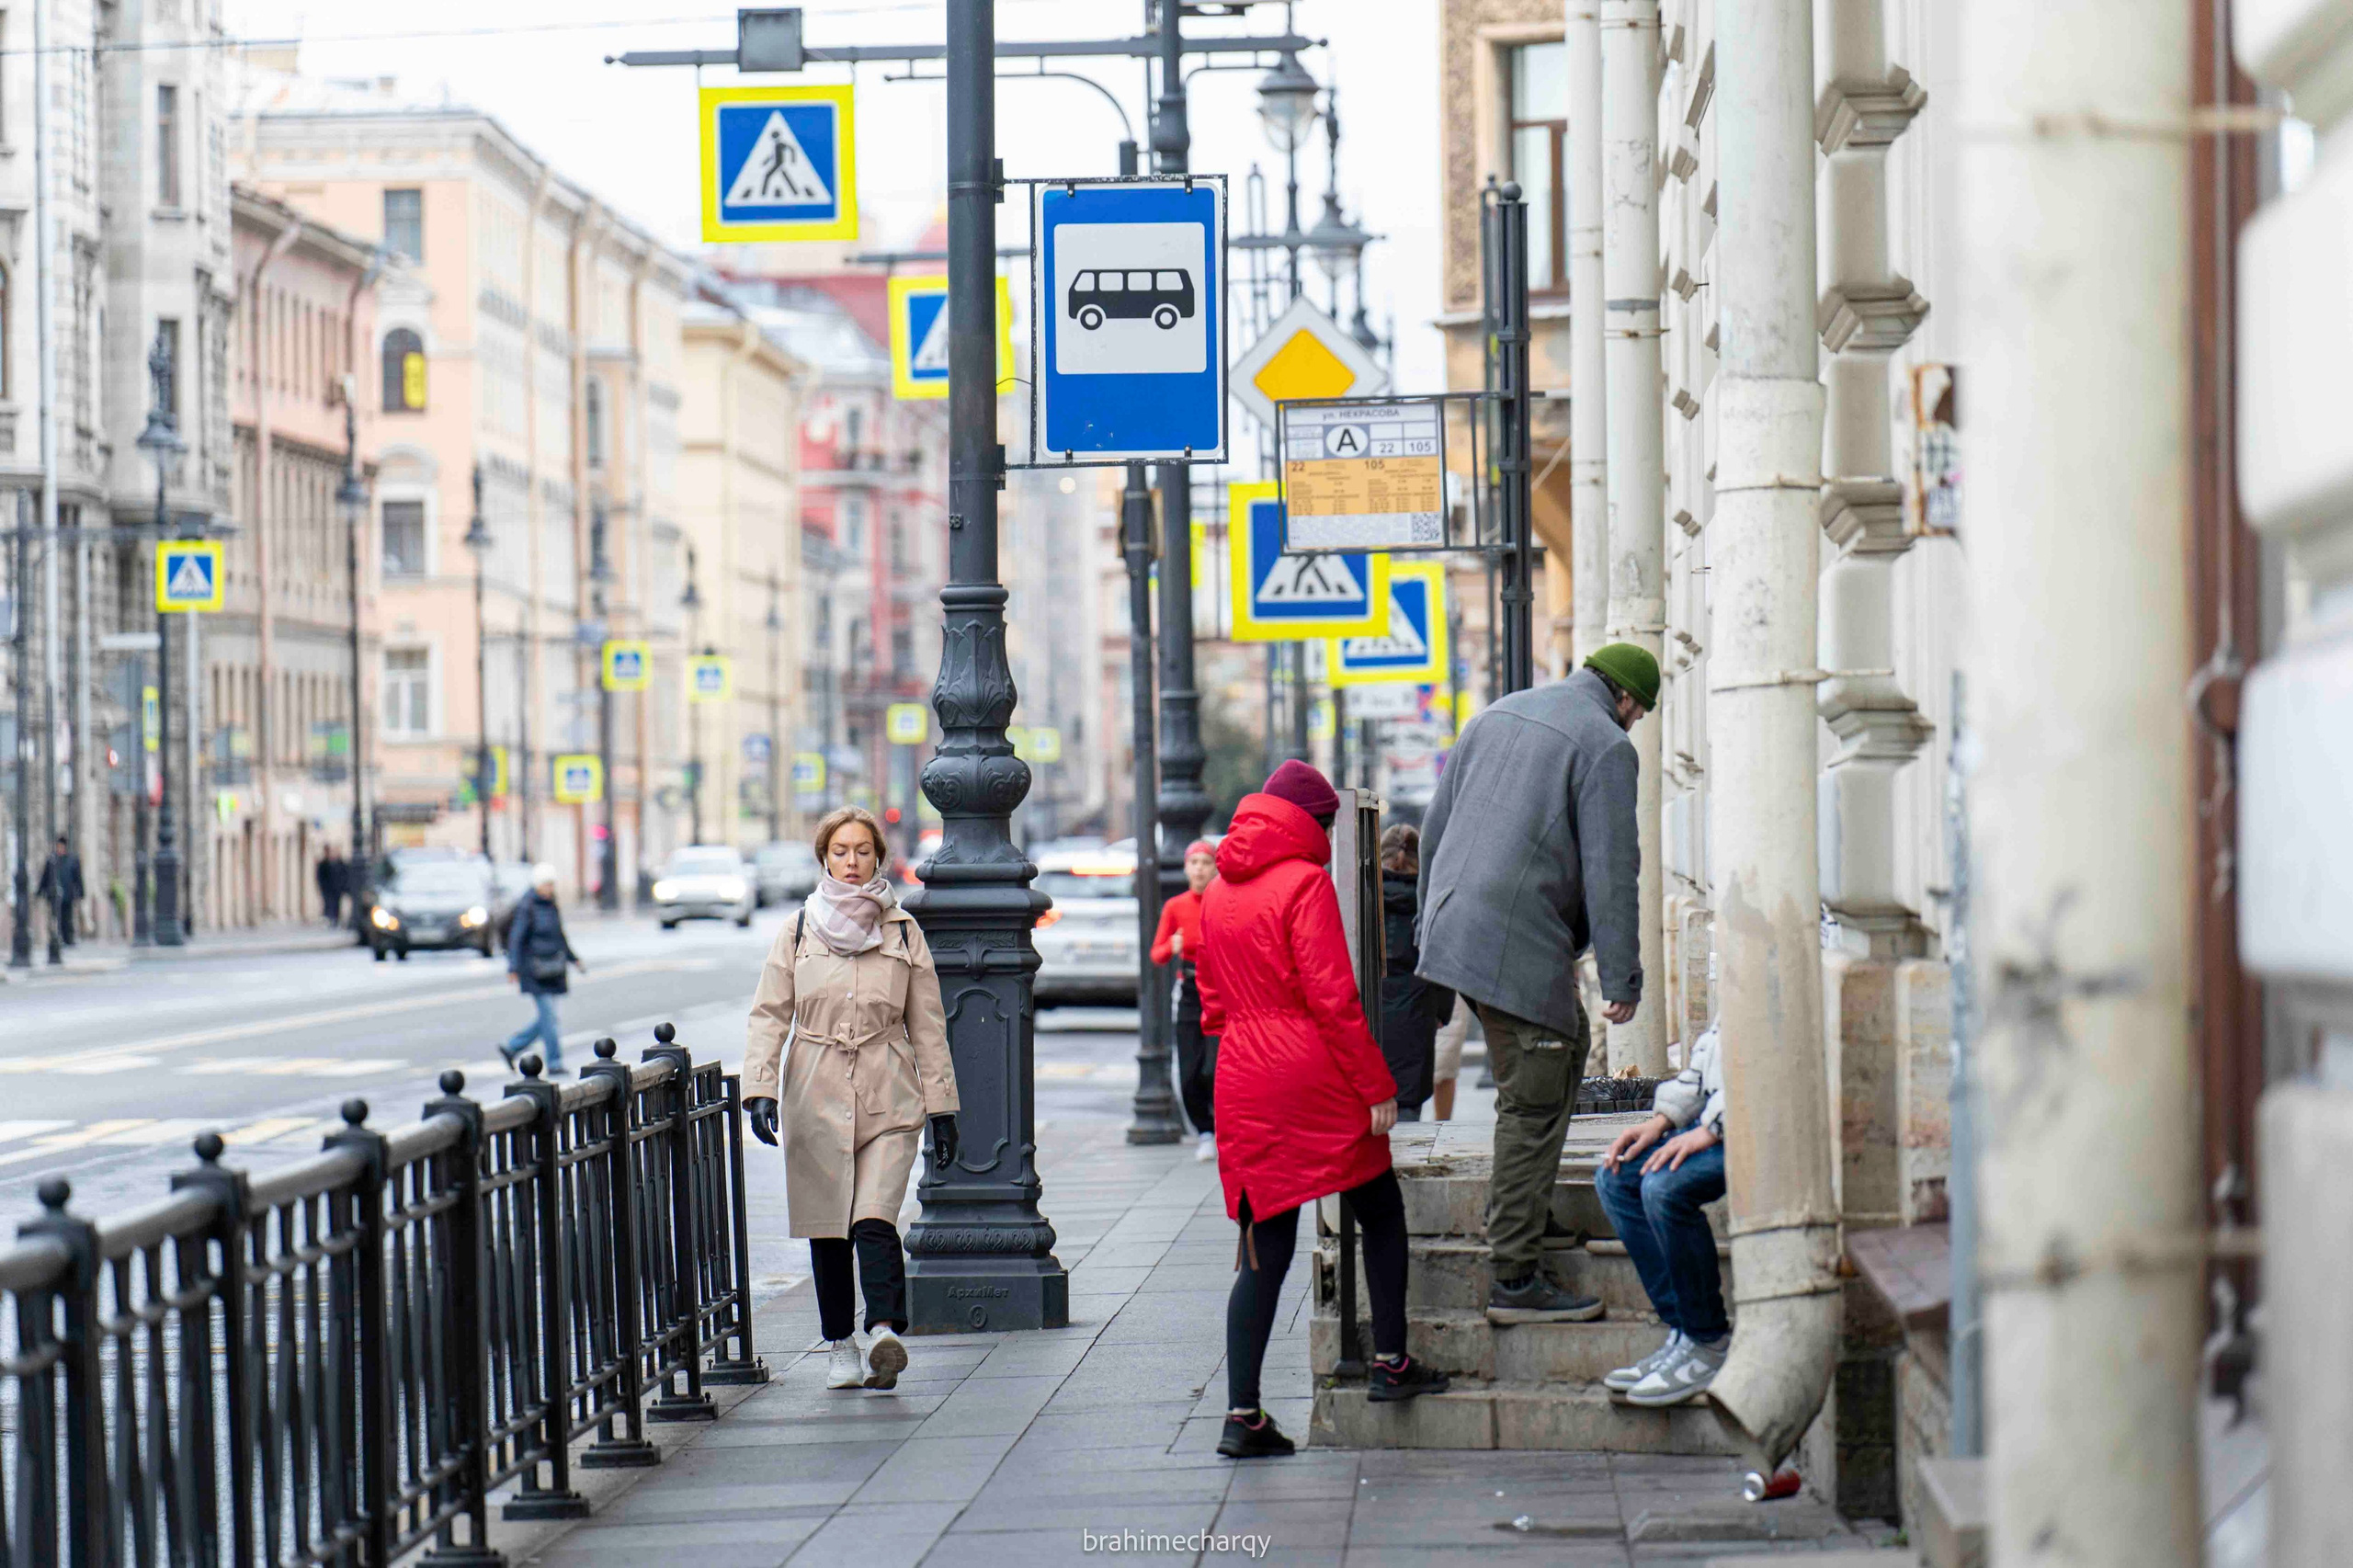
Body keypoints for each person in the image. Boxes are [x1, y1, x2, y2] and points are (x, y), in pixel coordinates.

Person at [1196, 760, 1448, 1460]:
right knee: (1379, 1205)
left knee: (1262, 1248)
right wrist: (1375, 1088)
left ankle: (1241, 1413)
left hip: (1243, 1074)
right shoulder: (1306, 883)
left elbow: (1212, 1007)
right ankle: (1391, 1362)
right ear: (1314, 823)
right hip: (1311, 1070)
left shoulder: (1216, 891)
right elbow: (1333, 998)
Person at [1416, 642, 1659, 1326]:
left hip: (1458, 924)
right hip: (1510, 940)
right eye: (1637, 715)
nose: (1632, 725)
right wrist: (1622, 976)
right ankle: (1516, 1276)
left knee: (1564, 1046)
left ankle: (1526, 1210)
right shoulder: (1607, 746)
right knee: (1534, 1091)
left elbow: (1435, 829)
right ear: (1627, 701)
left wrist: (1426, 931)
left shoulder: (1497, 714)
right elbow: (1615, 871)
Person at [742, 807, 960, 1394]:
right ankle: (840, 1345)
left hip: (889, 1088)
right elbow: (770, 1015)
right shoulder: (797, 930)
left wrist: (942, 1106)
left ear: (878, 857)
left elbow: (929, 1024)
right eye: (840, 850)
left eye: (863, 850)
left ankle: (885, 1329)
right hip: (814, 1086)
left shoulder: (904, 932)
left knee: (874, 1215)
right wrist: (759, 1089)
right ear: (824, 858)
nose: (852, 861)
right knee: (828, 1225)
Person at [1595, 1023, 1729, 1406]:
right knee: (1615, 1177)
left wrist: (1712, 1130)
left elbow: (1773, 1067)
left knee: (1663, 1188)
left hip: (1756, 1127)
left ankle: (1708, 1339)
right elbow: (1705, 1062)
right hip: (1716, 1122)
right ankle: (1683, 1330)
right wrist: (1661, 1121)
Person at [1374, 824, 1454, 1121]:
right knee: (1408, 1110)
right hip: (1417, 1013)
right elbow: (1444, 963)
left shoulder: (1362, 897)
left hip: (1370, 1015)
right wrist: (1440, 1014)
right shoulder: (1431, 902)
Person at [1150, 837, 1222, 1162]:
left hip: (1221, 990)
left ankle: (1223, 1126)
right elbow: (1157, 954)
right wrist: (1173, 946)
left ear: (1216, 867)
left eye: (1206, 862)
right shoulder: (1175, 906)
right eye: (1194, 863)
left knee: (1214, 1067)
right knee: (1190, 1070)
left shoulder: (1223, 901)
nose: (1200, 869)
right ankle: (1205, 1131)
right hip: (1190, 991)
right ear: (1185, 868)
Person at [498, 866, 582, 1074]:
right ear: (537, 884)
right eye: (547, 884)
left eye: (552, 884)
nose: (550, 888)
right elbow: (516, 938)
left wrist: (574, 959)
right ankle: (554, 1063)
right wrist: (513, 967)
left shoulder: (551, 905)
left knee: (548, 1019)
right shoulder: (527, 906)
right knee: (550, 1019)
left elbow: (559, 936)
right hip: (534, 970)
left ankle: (512, 1046)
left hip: (552, 967)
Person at [37, 836, 83, 948]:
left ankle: (69, 939)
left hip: (68, 895)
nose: (59, 849)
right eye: (58, 847)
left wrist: (80, 892)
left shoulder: (72, 860)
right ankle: (58, 938)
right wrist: (40, 891)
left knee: (67, 918)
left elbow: (78, 878)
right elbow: (45, 877)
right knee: (56, 917)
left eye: (61, 847)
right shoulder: (51, 860)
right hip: (54, 895)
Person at [1430, 996, 1471, 1121]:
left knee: (1444, 1068)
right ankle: (1408, 1124)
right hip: (1411, 985)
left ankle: (1441, 1125)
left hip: (1453, 991)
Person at [316, 846, 346, 927]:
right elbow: (321, 877)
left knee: (336, 904)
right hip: (328, 889)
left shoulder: (339, 864)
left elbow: (344, 876)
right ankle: (329, 919)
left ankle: (335, 919)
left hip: (337, 889)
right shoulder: (324, 864)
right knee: (328, 904)